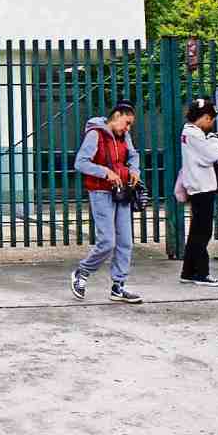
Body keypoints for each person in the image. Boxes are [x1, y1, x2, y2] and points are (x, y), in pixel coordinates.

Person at [69, 101, 143, 304]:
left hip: (122, 191)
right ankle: (82, 272)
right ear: (117, 115)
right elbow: (81, 162)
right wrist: (105, 172)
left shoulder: (123, 136)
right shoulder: (95, 134)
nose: (128, 129)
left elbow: (133, 156)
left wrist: (135, 171)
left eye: (130, 126)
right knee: (107, 241)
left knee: (125, 241)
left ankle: (119, 286)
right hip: (101, 192)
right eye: (126, 123)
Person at [178, 98, 218, 287]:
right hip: (202, 188)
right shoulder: (194, 134)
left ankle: (188, 272)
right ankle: (201, 273)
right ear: (206, 117)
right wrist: (216, 139)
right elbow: (210, 156)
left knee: (196, 232)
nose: (211, 123)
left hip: (197, 186)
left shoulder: (190, 132)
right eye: (211, 119)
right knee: (203, 233)